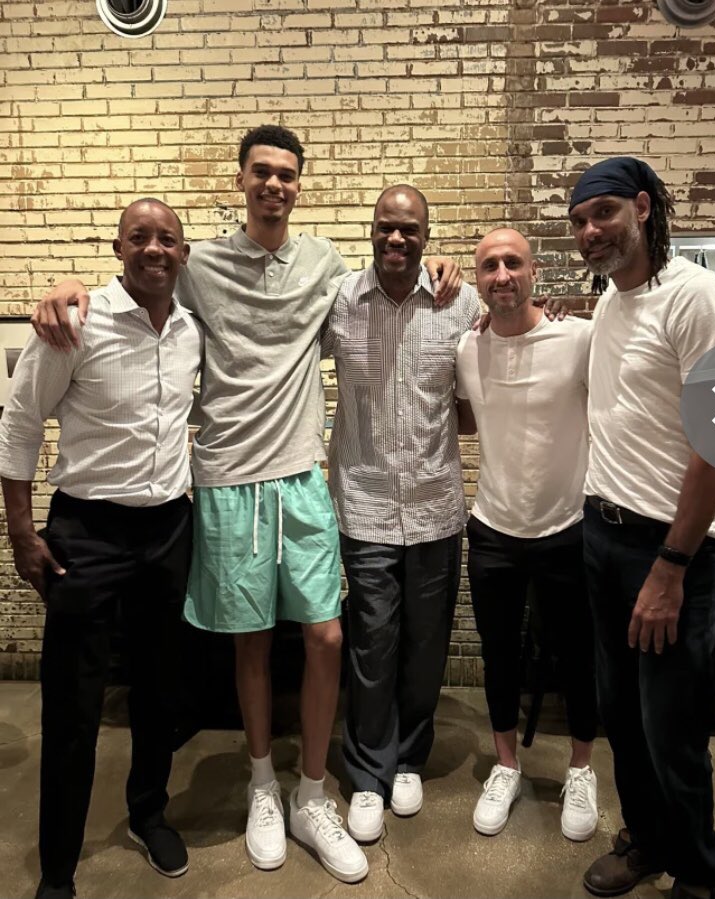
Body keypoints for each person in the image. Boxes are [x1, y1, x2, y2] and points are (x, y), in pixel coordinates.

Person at [30, 125, 461, 884]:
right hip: (227, 477)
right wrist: (66, 289)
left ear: (300, 185)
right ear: (241, 181)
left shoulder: (326, 263)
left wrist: (448, 272)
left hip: (301, 477)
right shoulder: (197, 266)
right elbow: (136, 280)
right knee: (253, 643)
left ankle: (313, 793)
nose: (274, 185)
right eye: (261, 172)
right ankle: (264, 785)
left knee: (326, 637)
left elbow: (388, 282)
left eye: (287, 174)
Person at [0, 199, 202, 899]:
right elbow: (21, 423)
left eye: (167, 239)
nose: (154, 249)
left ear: (183, 253)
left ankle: (148, 811)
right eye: (139, 237)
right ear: (117, 247)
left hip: (170, 529)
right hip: (87, 533)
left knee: (158, 689)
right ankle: (58, 865)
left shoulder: (188, 330)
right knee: (73, 703)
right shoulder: (75, 324)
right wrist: (22, 531)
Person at [568, 157, 715, 899]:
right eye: (578, 220)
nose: (589, 230)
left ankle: (700, 874)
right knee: (623, 719)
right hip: (603, 537)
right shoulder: (610, 301)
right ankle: (648, 841)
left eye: (602, 212)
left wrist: (671, 566)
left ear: (642, 207)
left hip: (676, 551)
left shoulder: (701, 298)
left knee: (672, 729)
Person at [321, 185, 480, 843]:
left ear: (426, 235)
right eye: (386, 227)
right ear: (371, 230)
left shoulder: (460, 302)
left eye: (409, 230)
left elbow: (498, 364)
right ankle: (366, 773)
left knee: (424, 646)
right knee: (372, 643)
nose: (396, 240)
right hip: (363, 505)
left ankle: (409, 757)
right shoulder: (337, 302)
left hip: (436, 505)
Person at [454, 227, 599, 843]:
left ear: (535, 271)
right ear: (478, 279)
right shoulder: (468, 346)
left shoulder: (579, 338)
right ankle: (507, 765)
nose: (502, 275)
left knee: (578, 653)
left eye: (513, 263)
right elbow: (464, 418)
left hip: (566, 525)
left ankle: (583, 769)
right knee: (499, 653)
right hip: (492, 527)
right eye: (489, 266)